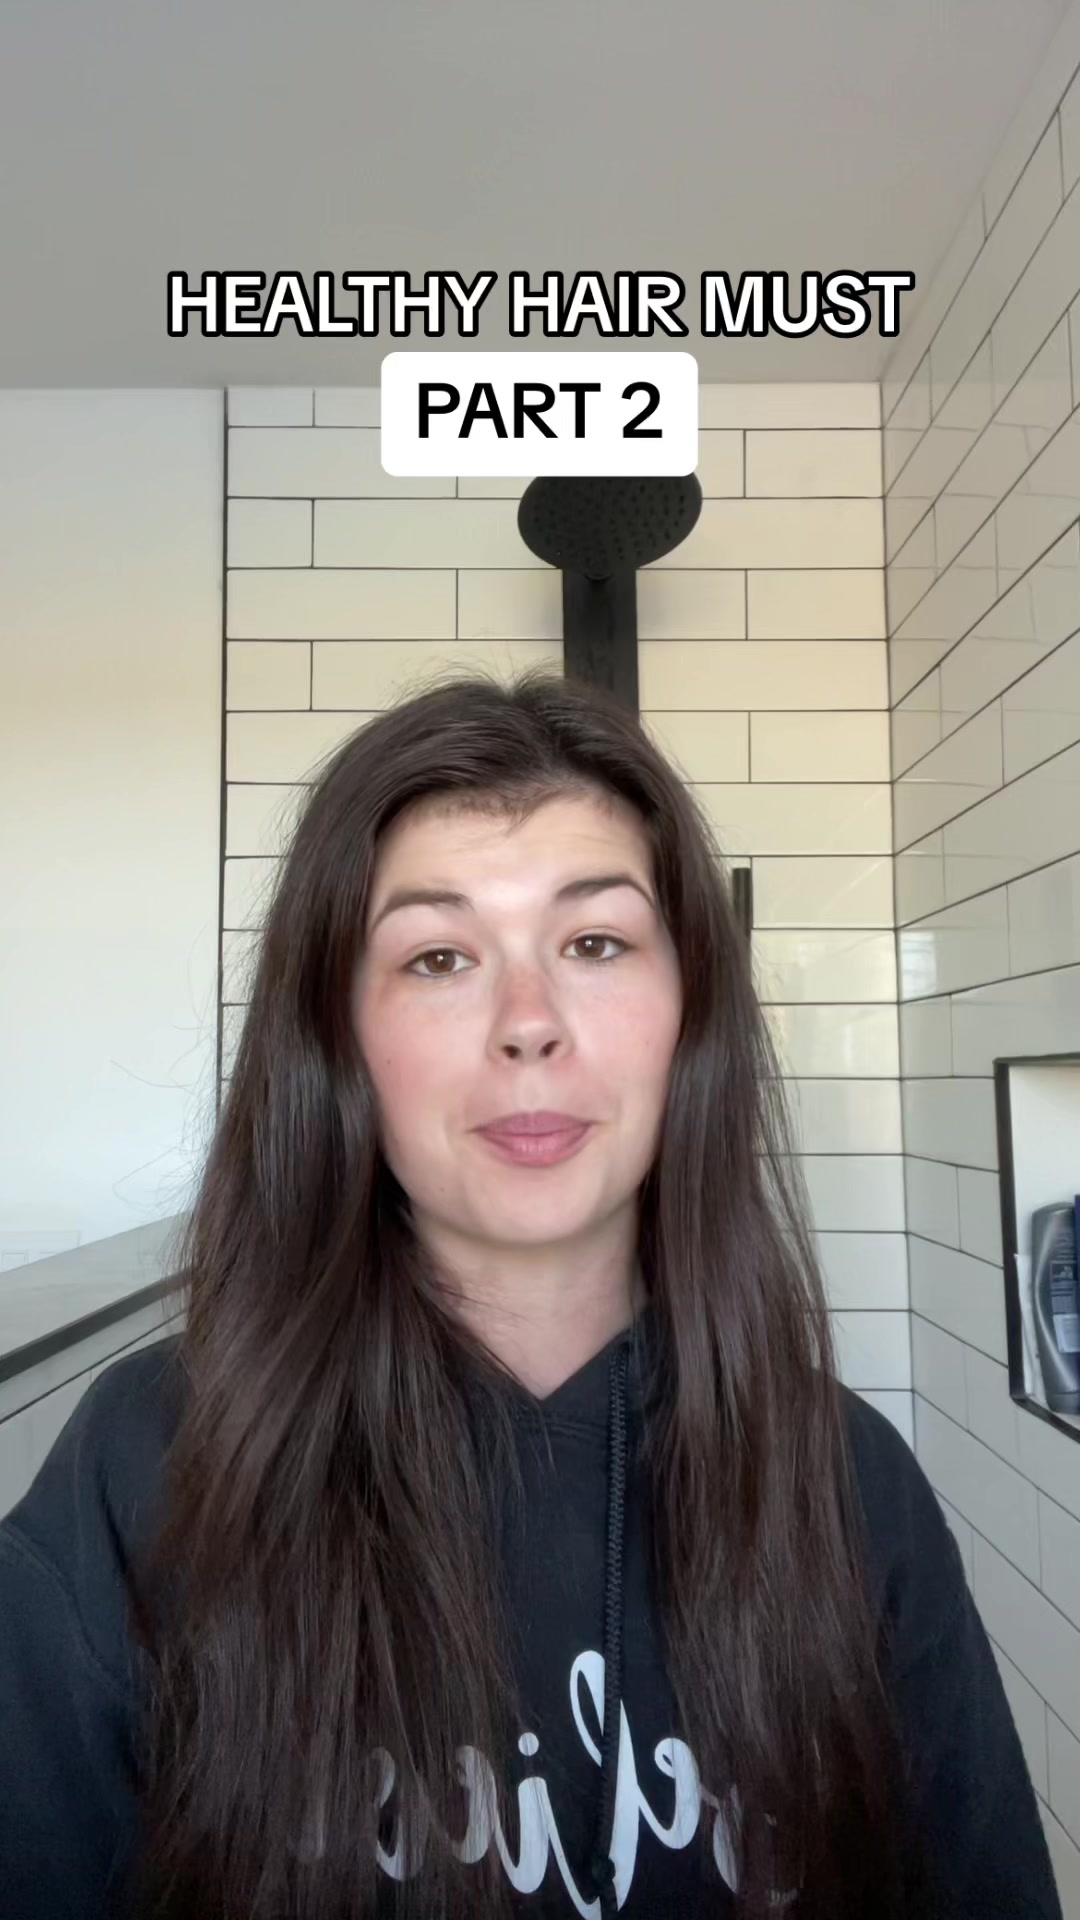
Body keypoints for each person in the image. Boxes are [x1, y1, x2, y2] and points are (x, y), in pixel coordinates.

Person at [0, 668, 1062, 1920]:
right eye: (439, 957)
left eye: (595, 943)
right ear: (341, 1040)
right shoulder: (143, 1466)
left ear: (691, 1013)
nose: (528, 1022)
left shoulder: (851, 1483)